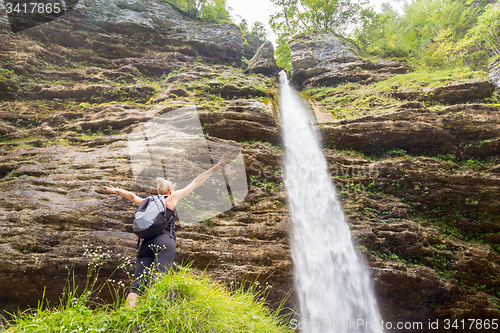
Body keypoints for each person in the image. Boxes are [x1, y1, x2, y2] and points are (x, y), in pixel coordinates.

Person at [105, 155, 226, 308]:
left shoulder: (148, 201)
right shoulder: (170, 199)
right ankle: (154, 316)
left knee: (136, 286)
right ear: (169, 190)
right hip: (164, 241)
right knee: (160, 280)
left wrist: (117, 190)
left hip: (145, 244)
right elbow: (196, 182)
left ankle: (127, 316)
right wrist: (214, 168)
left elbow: (132, 196)